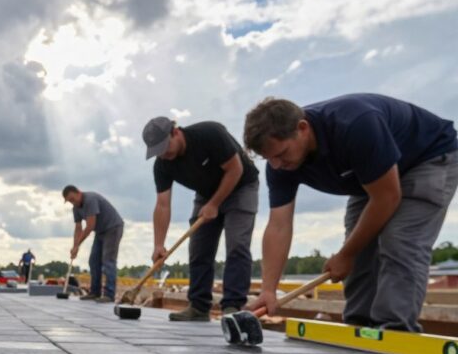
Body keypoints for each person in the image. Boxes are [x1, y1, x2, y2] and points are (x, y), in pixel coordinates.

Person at [243, 94, 458, 331]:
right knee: (359, 246)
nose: (276, 165)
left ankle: (395, 329)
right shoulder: (280, 165)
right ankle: (358, 323)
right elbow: (278, 226)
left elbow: (387, 197)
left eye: (281, 154)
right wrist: (268, 290)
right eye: (268, 159)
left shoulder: (356, 124)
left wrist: (345, 254)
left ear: (302, 128)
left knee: (400, 240)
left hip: (425, 158)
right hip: (370, 176)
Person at [142, 116, 259, 322]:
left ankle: (233, 307)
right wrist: (158, 244)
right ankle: (198, 306)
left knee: (237, 245)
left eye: (165, 146)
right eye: (158, 151)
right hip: (206, 193)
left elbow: (235, 169)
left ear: (175, 132)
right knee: (198, 250)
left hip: (241, 186)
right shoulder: (162, 165)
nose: (164, 154)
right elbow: (162, 204)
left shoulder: (209, 134)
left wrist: (215, 204)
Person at [62, 185, 124, 302]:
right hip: (100, 231)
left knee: (108, 261)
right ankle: (95, 292)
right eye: (69, 201)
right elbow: (78, 228)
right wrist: (75, 246)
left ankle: (109, 294)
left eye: (73, 199)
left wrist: (77, 245)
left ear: (79, 193)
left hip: (113, 228)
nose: (72, 202)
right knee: (93, 261)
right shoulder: (76, 208)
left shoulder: (90, 200)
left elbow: (90, 226)